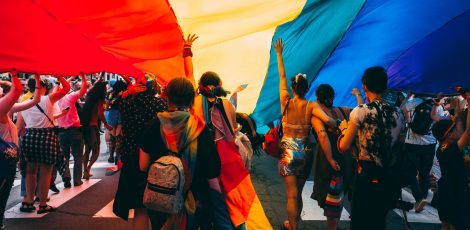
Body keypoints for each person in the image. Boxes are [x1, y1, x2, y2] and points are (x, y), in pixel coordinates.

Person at [139, 77, 221, 229]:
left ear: (166, 97)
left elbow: (143, 166)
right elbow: (212, 172)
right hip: (193, 201)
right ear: (192, 100)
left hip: (159, 201)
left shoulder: (154, 124)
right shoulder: (200, 129)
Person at [274, 38, 337, 230]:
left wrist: (279, 54)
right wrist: (337, 124)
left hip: (288, 150)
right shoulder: (311, 105)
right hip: (306, 150)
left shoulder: (286, 100)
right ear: (307, 88)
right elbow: (328, 120)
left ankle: (292, 226)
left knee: (291, 195)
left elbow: (282, 77)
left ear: (293, 88)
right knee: (298, 193)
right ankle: (295, 222)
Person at [338, 66, 405, 230]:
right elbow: (399, 145)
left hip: (366, 174)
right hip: (388, 175)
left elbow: (344, 146)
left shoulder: (360, 112)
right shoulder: (398, 113)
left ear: (365, 86)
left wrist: (344, 129)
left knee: (360, 220)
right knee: (378, 221)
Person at [112, 74, 167, 230]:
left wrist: (128, 92)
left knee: (139, 207)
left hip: (131, 159)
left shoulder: (127, 103)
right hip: (154, 160)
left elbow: (113, 102)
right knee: (158, 206)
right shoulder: (160, 104)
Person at [16, 75, 70, 214]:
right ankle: (43, 204)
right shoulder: (48, 99)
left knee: (30, 172)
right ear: (44, 87)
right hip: (46, 136)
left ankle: (28, 202)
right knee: (45, 173)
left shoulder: (24, 102)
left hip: (29, 137)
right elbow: (67, 88)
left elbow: (19, 124)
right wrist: (59, 76)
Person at [0, 72, 42, 228]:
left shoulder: (8, 109)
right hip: (2, 160)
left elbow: (36, 100)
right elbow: (17, 90)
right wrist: (14, 72)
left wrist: (37, 79)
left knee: (3, 195)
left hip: (8, 159)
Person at [311, 84, 354, 230]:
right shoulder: (344, 110)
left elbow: (323, 136)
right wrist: (359, 97)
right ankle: (334, 226)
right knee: (339, 193)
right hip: (346, 157)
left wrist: (329, 159)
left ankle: (332, 228)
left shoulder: (317, 115)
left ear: (318, 98)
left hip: (328, 158)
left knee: (331, 196)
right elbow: (360, 114)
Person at [431, 93, 470, 230]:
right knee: (456, 225)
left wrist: (458, 114)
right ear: (448, 135)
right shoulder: (452, 148)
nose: (458, 130)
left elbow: (456, 127)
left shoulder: (442, 147)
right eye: (454, 129)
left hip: (445, 191)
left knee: (446, 224)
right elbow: (468, 131)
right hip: (456, 191)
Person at [402, 94, 447, 212]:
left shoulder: (415, 101)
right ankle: (422, 200)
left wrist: (409, 123)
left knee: (409, 172)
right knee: (424, 173)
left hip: (412, 143)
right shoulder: (438, 106)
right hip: (430, 144)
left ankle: (419, 198)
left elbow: (403, 108)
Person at [54, 74, 87, 187]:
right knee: (78, 156)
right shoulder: (71, 96)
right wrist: (82, 77)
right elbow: (83, 90)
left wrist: (64, 79)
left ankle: (66, 178)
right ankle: (77, 180)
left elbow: (62, 87)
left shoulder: (54, 99)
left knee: (65, 156)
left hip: (62, 131)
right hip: (75, 130)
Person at [80, 80, 112, 180]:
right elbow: (100, 113)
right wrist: (106, 124)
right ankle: (88, 169)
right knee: (96, 151)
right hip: (93, 127)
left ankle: (85, 170)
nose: (106, 90)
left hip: (85, 126)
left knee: (87, 149)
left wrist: (101, 76)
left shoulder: (90, 96)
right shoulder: (99, 99)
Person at [104, 80, 127, 166]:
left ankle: (111, 156)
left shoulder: (110, 93)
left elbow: (106, 103)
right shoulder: (125, 93)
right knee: (118, 136)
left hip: (112, 113)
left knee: (112, 135)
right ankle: (118, 156)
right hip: (121, 113)